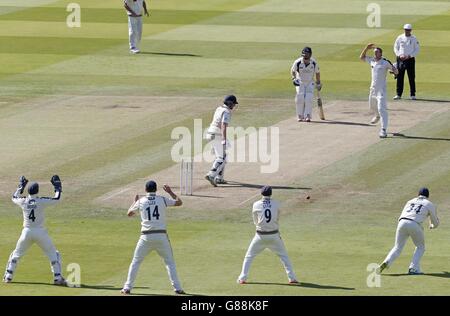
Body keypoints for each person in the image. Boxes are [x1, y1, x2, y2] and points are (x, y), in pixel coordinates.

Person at [121, 180, 185, 295]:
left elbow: (129, 214)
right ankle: (178, 288)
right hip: (161, 236)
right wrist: (170, 192)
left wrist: (134, 202)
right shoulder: (162, 199)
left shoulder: (141, 201)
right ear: (155, 189)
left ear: (146, 190)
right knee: (170, 262)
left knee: (136, 262)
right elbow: (179, 202)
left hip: (145, 237)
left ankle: (127, 288)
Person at [3, 175, 67, 286]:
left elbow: (13, 197)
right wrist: (57, 188)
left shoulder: (23, 201)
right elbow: (57, 198)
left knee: (16, 255)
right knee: (53, 254)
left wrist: (20, 187)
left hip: (26, 232)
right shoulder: (41, 201)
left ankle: (8, 276)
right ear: (37, 191)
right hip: (40, 232)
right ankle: (57, 278)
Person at [237, 186, 298, 284]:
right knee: (284, 257)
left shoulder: (256, 204)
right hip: (274, 235)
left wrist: (260, 226)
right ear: (271, 193)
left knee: (249, 257)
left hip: (260, 235)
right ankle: (292, 278)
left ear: (261, 193)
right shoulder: (277, 203)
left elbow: (255, 220)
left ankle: (242, 278)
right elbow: (277, 217)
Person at [378, 187, 439, 275]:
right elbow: (435, 222)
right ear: (427, 196)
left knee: (397, 247)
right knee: (420, 247)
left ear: (418, 194)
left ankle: (386, 262)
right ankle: (413, 268)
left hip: (401, 222)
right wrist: (432, 226)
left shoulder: (410, 201)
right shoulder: (429, 204)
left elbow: (404, 213)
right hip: (414, 224)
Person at [359, 43, 398, 138]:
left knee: (382, 109)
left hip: (381, 91)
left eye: (377, 52)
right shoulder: (372, 60)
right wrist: (366, 48)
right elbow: (361, 57)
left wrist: (393, 71)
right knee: (372, 106)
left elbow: (396, 71)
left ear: (381, 53)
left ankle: (383, 130)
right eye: (374, 52)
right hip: (373, 89)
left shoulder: (385, 62)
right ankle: (377, 116)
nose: (375, 54)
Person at [204, 95, 238, 186]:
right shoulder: (226, 112)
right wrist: (223, 138)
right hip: (217, 135)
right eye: (233, 104)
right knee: (221, 158)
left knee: (222, 157)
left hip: (210, 133)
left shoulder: (219, 108)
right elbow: (223, 125)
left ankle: (219, 178)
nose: (234, 106)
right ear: (230, 103)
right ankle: (211, 174)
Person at [290, 47, 321, 122]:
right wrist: (294, 78)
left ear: (310, 55)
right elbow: (292, 70)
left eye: (307, 54)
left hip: (310, 82)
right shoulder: (298, 62)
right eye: (304, 54)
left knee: (309, 98)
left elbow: (317, 73)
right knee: (300, 98)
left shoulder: (314, 62)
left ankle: (307, 115)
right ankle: (300, 115)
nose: (305, 56)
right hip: (300, 81)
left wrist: (318, 82)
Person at [393, 24, 420, 100]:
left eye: (408, 30)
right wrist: (399, 55)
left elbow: (417, 50)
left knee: (411, 77)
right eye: (405, 29)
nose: (406, 31)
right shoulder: (400, 37)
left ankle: (413, 94)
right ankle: (398, 94)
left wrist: (410, 56)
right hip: (400, 59)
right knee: (399, 77)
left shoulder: (414, 38)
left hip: (410, 59)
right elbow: (395, 47)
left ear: (411, 30)